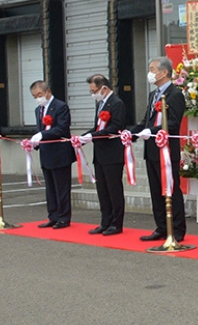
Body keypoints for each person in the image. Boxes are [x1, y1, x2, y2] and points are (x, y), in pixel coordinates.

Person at [130, 57, 187, 243]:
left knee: (171, 190)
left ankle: (177, 229)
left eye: (153, 69)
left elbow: (173, 122)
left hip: (167, 151)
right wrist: (132, 133)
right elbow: (147, 119)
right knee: (156, 190)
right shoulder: (153, 94)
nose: (150, 73)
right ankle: (161, 226)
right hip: (152, 150)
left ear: (164, 72)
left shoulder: (175, 94)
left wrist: (152, 131)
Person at [80, 75, 127, 235]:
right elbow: (97, 127)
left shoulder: (116, 103)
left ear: (104, 88)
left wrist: (93, 136)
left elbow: (116, 127)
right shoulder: (100, 104)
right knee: (102, 190)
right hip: (99, 153)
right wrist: (84, 137)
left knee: (114, 189)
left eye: (94, 91)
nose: (93, 94)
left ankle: (116, 223)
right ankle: (105, 221)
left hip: (112, 153)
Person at [29, 81, 75, 229]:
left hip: (60, 153)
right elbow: (40, 129)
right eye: (34, 96)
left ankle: (64, 217)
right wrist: (35, 142)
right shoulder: (38, 110)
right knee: (50, 188)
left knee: (62, 187)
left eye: (39, 95)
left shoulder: (60, 107)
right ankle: (53, 216)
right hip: (46, 153)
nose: (37, 98)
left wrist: (41, 135)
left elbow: (61, 129)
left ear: (48, 92)